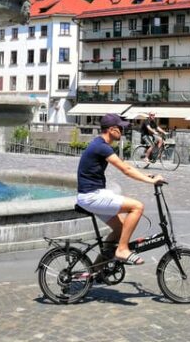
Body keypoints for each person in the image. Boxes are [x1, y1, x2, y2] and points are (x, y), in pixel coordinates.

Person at [76, 113, 165, 266]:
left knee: (120, 228)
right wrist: (150, 181)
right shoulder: (101, 147)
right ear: (111, 129)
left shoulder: (100, 144)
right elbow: (125, 169)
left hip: (93, 195)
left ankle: (96, 269)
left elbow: (127, 167)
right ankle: (122, 249)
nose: (122, 132)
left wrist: (146, 175)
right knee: (137, 207)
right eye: (120, 129)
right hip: (91, 196)